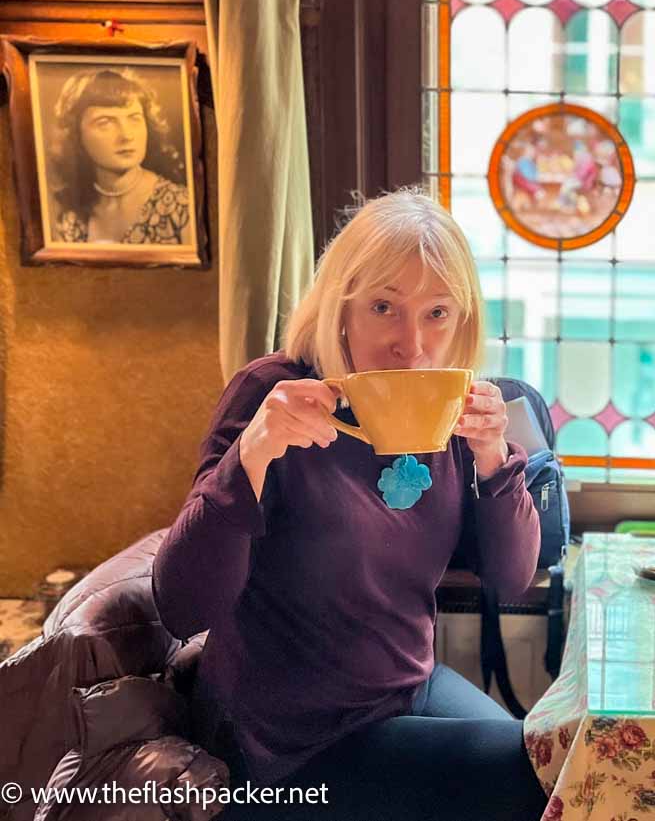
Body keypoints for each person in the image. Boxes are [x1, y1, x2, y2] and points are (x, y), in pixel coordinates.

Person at [152, 190, 548, 820]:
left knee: (551, 763)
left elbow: (510, 575)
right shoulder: (273, 394)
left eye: (437, 313)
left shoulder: (450, 409)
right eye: (384, 307)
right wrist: (251, 453)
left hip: (406, 690)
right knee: (529, 776)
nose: (412, 345)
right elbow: (180, 605)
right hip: (285, 736)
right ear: (342, 311)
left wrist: (496, 458)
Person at [46, 67, 192, 245]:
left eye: (134, 118)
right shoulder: (68, 216)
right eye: (105, 122)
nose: (126, 135)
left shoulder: (182, 207)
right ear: (76, 134)